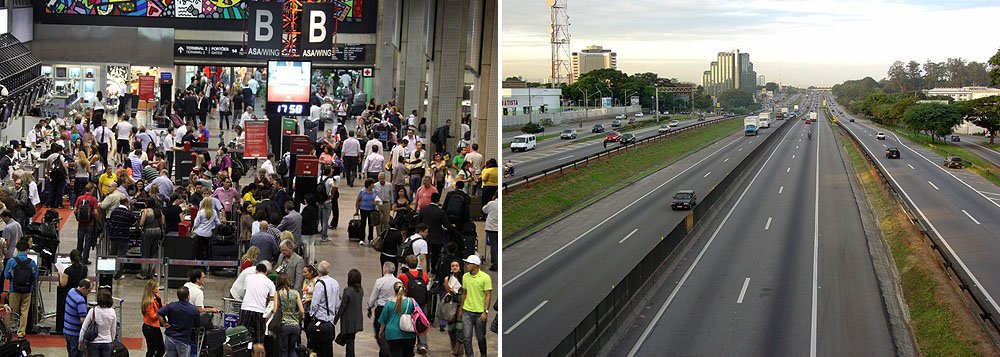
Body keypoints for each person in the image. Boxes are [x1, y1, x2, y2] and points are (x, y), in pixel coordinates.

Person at [459, 255, 492, 357]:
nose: (466, 265)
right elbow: (464, 293)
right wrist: (461, 308)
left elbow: (488, 295)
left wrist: (485, 311)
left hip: (479, 313)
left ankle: (483, 353)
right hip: (467, 311)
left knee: (481, 337)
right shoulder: (465, 277)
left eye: (468, 264)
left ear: (475, 265)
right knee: (467, 337)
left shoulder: (485, 278)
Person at [240, 263, 275, 356]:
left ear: (256, 270)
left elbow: (245, 291)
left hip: (246, 308)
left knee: (242, 335)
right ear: (266, 272)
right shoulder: (270, 282)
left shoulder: (248, 278)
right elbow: (272, 300)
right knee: (259, 338)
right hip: (260, 311)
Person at [397, 255, 429, 354]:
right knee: (421, 323)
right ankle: (422, 345)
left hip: (409, 303)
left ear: (406, 264)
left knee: (409, 323)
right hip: (422, 303)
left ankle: (409, 343)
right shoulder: (424, 275)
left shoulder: (403, 276)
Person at [308, 261, 341, 357]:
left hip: (320, 319)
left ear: (318, 271)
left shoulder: (319, 284)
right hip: (330, 320)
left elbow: (315, 303)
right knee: (328, 346)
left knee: (318, 348)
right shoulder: (335, 283)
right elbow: (337, 302)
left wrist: (311, 314)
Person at [377, 282, 417, 357]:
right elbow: (418, 314)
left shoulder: (389, 303)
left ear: (394, 291)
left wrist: (381, 331)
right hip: (409, 334)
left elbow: (383, 320)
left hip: (392, 334)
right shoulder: (411, 301)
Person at [158, 286, 201, 357]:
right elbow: (197, 325)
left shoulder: (171, 306)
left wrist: (164, 323)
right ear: (188, 296)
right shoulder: (193, 310)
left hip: (170, 339)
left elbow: (159, 313)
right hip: (183, 341)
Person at [418, 192, 452, 273]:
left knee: (426, 254)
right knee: (435, 255)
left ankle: (426, 268)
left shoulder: (423, 210)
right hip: (437, 237)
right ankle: (434, 267)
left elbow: (418, 222)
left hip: (425, 237)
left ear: (431, 199)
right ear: (438, 200)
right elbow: (446, 224)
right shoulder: (441, 212)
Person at [57, 250, 88, 336]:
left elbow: (63, 284)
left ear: (71, 259)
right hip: (81, 294)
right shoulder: (84, 268)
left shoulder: (68, 270)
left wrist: (60, 275)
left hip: (70, 295)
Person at [274, 272, 305, 357]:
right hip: (295, 326)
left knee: (283, 350)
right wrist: (297, 317)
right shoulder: (295, 293)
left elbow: (275, 309)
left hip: (283, 325)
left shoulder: (278, 293)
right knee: (292, 349)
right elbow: (302, 310)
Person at [335, 269, 364, 357]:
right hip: (357, 319)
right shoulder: (360, 290)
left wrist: (335, 319)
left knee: (349, 342)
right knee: (351, 339)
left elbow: (343, 306)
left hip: (348, 320)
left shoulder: (347, 290)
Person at [78, 289, 117, 357]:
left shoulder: (92, 311)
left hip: (94, 342)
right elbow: (113, 329)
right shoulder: (112, 312)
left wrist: (80, 340)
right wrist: (112, 339)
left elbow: (84, 327)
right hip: (107, 341)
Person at [368, 262, 400, 341]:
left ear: (385, 269)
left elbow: (374, 296)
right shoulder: (398, 282)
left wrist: (369, 307)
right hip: (394, 308)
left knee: (378, 330)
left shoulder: (380, 281)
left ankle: (385, 348)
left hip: (382, 308)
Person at [63, 278, 93, 357]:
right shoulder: (80, 300)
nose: (89, 293)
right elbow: (83, 321)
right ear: (83, 288)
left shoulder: (71, 291)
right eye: (89, 291)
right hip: (75, 334)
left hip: (67, 330)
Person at [108, 198, 136, 279]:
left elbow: (111, 221)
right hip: (124, 237)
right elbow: (135, 224)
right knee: (121, 256)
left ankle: (109, 272)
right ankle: (118, 274)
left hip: (114, 236)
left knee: (112, 254)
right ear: (126, 203)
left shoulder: (114, 211)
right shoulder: (128, 213)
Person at [138, 197, 164, 280]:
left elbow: (141, 223)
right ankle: (152, 272)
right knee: (154, 252)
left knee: (146, 252)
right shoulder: (158, 211)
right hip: (157, 231)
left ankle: (144, 272)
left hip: (148, 232)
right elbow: (162, 222)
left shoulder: (145, 211)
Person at [442, 259, 464, 353]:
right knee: (451, 327)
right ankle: (453, 345)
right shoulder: (447, 279)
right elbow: (448, 292)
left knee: (459, 327)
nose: (455, 267)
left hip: (460, 305)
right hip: (451, 305)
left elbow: (464, 293)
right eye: (453, 266)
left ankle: (459, 348)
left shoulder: (464, 279)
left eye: (456, 266)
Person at [141, 279, 166, 357]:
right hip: (150, 328)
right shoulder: (148, 302)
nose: (158, 288)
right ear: (151, 289)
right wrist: (162, 311)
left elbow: (160, 306)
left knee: (161, 349)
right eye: (156, 287)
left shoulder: (156, 297)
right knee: (152, 350)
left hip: (155, 327)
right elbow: (153, 316)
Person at [356, 178, 378, 245]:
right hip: (363, 209)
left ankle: (370, 238)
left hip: (372, 209)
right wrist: (357, 209)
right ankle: (361, 238)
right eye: (372, 184)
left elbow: (376, 199)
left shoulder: (374, 191)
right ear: (369, 185)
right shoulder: (362, 192)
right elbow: (358, 201)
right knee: (363, 224)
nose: (373, 185)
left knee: (371, 225)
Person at [300, 195, 320, 265]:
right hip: (313, 229)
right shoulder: (315, 208)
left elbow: (304, 219)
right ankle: (311, 262)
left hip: (306, 230)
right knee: (312, 245)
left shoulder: (307, 209)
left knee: (306, 246)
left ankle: (307, 261)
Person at [483, 194, 498, 272]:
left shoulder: (492, 203)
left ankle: (495, 264)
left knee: (493, 246)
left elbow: (484, 210)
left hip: (491, 228)